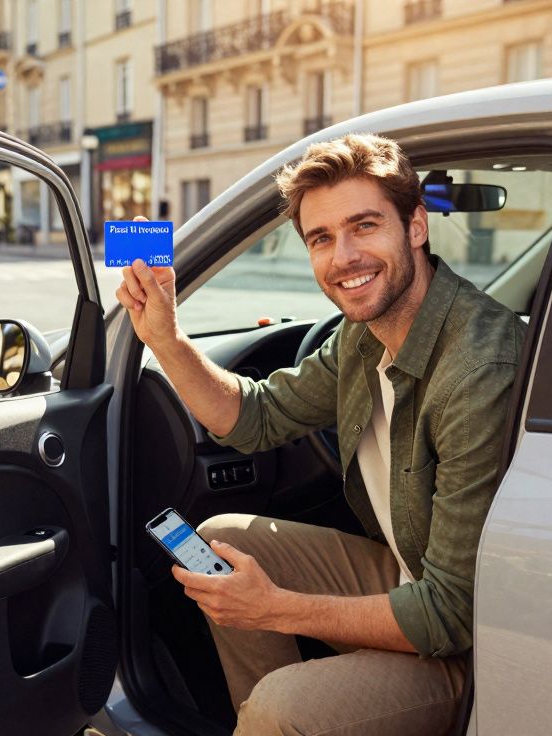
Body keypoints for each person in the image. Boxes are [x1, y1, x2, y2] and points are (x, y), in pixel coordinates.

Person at [115, 133, 525, 734]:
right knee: (226, 542)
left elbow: (449, 617)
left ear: (416, 226)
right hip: (417, 575)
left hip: (484, 642)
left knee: (285, 707)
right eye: (322, 238)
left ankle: (275, 720)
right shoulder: (368, 331)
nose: (344, 258)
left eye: (364, 226)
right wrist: (167, 340)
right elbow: (254, 418)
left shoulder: (474, 370)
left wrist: (275, 611)